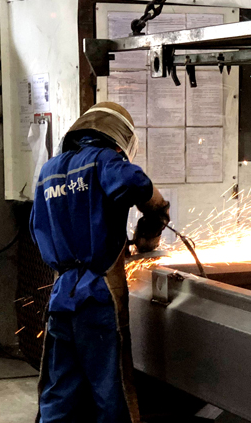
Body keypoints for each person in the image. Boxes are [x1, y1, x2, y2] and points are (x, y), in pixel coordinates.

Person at [30, 102, 170, 423]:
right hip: (98, 295)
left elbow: (37, 230)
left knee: (59, 392)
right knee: (110, 391)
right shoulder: (104, 160)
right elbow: (135, 183)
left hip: (61, 296)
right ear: (120, 142)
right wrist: (157, 209)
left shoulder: (48, 171)